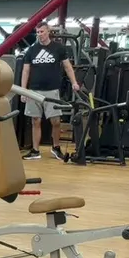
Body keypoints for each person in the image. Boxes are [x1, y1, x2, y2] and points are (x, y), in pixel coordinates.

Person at [20, 22, 79, 161]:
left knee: (56, 121)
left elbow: (67, 67)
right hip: (34, 90)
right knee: (35, 120)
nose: (39, 34)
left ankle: (56, 147)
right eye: (37, 32)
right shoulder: (31, 50)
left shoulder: (58, 48)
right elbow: (25, 71)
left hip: (52, 90)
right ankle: (35, 150)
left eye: (42, 31)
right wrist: (23, 90)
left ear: (48, 32)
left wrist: (74, 82)